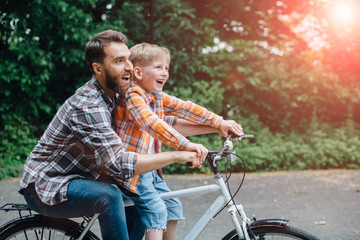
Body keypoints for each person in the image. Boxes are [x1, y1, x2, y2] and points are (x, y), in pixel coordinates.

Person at [18, 30, 203, 240]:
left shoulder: (118, 93)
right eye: (119, 61)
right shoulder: (89, 105)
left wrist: (218, 127)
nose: (129, 67)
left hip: (86, 177)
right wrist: (178, 154)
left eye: (128, 60)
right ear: (98, 68)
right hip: (49, 185)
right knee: (111, 196)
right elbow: (119, 163)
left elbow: (161, 120)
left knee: (138, 203)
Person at [112, 43, 244, 240]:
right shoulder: (133, 94)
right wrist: (186, 145)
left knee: (172, 207)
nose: (164, 73)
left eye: (166, 68)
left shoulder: (155, 96)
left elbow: (186, 108)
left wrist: (219, 122)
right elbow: (152, 123)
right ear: (138, 72)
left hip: (151, 173)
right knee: (157, 212)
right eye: (158, 67)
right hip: (133, 171)